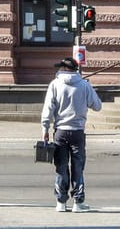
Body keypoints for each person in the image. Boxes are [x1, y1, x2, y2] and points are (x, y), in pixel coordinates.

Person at [41, 56, 102, 213]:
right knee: (78, 167)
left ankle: (61, 202)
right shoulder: (84, 85)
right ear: (75, 69)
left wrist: (45, 129)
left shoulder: (54, 84)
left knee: (61, 166)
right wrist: (85, 91)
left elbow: (48, 108)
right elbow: (97, 106)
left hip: (60, 131)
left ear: (64, 69)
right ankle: (78, 202)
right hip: (77, 132)